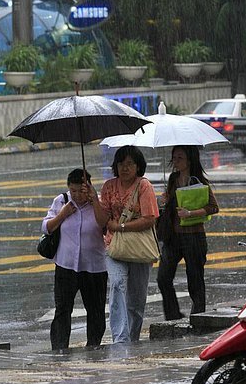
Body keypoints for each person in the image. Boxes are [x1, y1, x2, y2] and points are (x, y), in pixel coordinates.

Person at [41, 168, 109, 351]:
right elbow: (46, 227)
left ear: (89, 187)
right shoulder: (62, 201)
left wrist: (94, 200)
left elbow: (105, 224)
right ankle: (60, 348)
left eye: (81, 190)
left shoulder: (99, 201)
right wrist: (62, 214)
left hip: (94, 266)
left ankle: (93, 347)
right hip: (66, 265)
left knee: (95, 311)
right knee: (63, 309)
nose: (77, 195)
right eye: (74, 191)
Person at [101, 145, 159, 343]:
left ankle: (133, 337)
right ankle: (120, 338)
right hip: (113, 246)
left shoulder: (144, 186)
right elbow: (104, 217)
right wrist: (93, 200)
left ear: (138, 166)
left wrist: (122, 227)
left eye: (129, 164)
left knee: (136, 298)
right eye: (120, 164)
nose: (124, 168)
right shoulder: (108, 186)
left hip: (139, 247)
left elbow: (150, 218)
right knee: (117, 284)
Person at [157, 145, 219, 319]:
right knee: (163, 278)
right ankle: (173, 315)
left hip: (194, 236)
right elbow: (169, 206)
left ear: (190, 160)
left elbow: (213, 207)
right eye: (174, 158)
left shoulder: (198, 181)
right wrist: (166, 200)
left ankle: (198, 317)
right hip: (173, 236)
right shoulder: (173, 179)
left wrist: (191, 213)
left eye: (179, 158)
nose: (175, 162)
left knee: (195, 281)